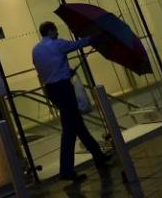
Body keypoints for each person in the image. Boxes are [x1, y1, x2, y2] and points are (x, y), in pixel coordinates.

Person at [32, 21, 111, 182]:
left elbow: (47, 68)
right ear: (50, 31)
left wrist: (65, 71)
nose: (58, 33)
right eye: (56, 30)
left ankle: (98, 156)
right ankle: (66, 170)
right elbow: (80, 44)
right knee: (69, 130)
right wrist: (98, 36)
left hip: (52, 90)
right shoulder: (57, 44)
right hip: (63, 89)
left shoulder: (36, 50)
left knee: (77, 125)